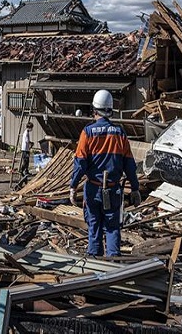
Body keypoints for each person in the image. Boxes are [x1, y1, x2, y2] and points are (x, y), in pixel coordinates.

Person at [69, 89, 141, 257]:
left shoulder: (87, 133)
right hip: (113, 189)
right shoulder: (120, 133)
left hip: (93, 190)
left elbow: (80, 164)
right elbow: (129, 164)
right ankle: (113, 265)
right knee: (112, 227)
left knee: (94, 227)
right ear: (110, 110)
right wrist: (135, 188)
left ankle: (95, 264)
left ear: (94, 110)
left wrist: (73, 185)